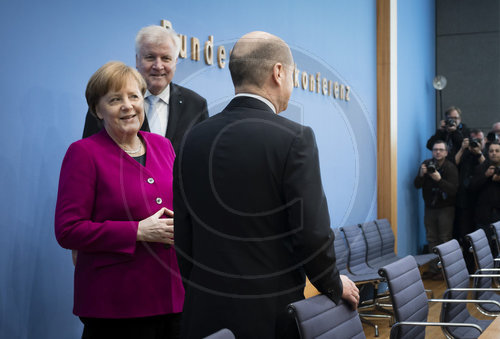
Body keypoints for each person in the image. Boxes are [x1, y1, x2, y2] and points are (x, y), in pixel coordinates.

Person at [173, 31, 359, 339]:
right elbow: (311, 234)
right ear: (278, 72)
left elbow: (184, 230)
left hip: (202, 310)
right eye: (292, 75)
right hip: (270, 314)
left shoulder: (192, 137)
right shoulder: (295, 138)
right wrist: (332, 284)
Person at [55, 61, 183, 339]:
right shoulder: (83, 153)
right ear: (97, 109)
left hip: (172, 299)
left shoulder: (163, 145)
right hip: (115, 306)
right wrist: (137, 231)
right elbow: (68, 230)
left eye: (134, 96)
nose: (128, 106)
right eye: (115, 99)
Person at [82, 25, 208, 155]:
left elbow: (201, 156)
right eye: (150, 57)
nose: (158, 66)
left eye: (166, 58)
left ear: (175, 62)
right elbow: (89, 152)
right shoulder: (106, 104)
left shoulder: (196, 105)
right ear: (137, 60)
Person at [414, 140, 459, 280]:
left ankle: (445, 270)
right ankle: (433, 268)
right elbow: (416, 184)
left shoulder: (450, 167)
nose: (437, 152)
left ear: (446, 152)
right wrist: (422, 174)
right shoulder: (427, 164)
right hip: (430, 208)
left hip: (445, 208)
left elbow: (453, 190)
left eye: (440, 149)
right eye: (435, 150)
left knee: (444, 239)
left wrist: (439, 180)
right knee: (431, 238)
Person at [453, 129, 486, 272]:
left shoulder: (487, 155)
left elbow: (486, 166)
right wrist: (462, 148)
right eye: (473, 140)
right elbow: (454, 163)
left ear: (484, 141)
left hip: (482, 204)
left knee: (482, 238)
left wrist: (478, 153)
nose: (475, 143)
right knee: (465, 236)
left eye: (479, 140)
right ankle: (469, 268)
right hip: (464, 204)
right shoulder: (465, 154)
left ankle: (486, 268)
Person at [469, 141, 500, 256]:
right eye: (491, 151)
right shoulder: (481, 168)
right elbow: (472, 188)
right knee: (484, 249)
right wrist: (486, 176)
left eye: (497, 151)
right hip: (483, 216)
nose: (494, 153)